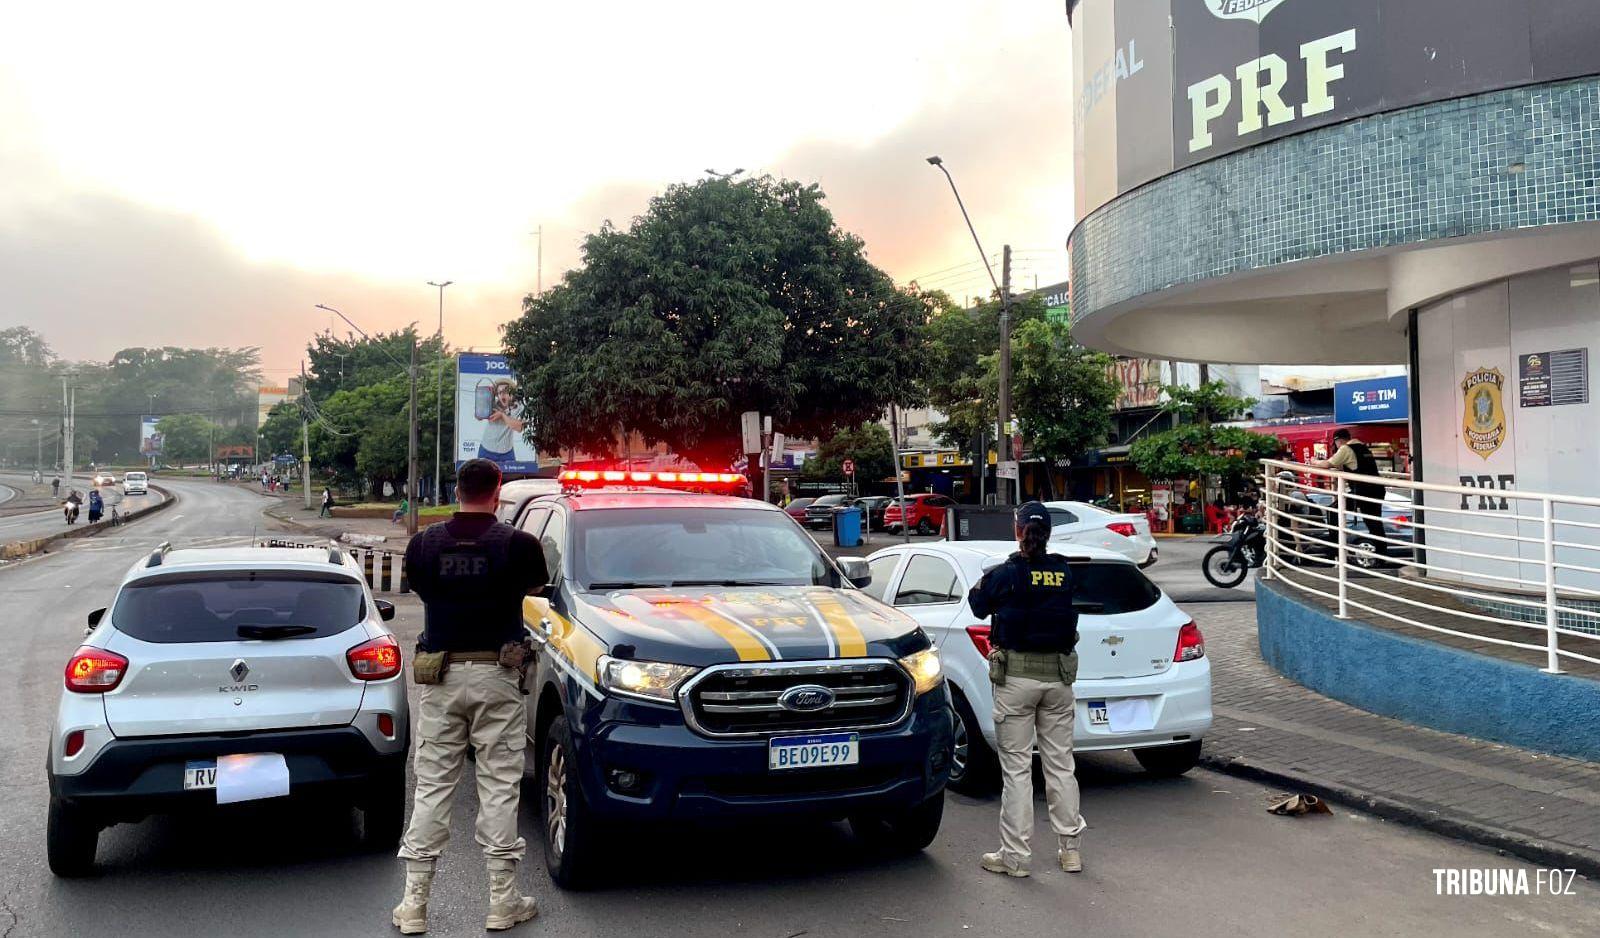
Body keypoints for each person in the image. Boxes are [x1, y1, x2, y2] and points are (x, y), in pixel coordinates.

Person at [393, 458, 546, 934]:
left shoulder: (423, 544)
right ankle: (503, 901)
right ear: (497, 493)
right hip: (497, 677)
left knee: (433, 785)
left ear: (456, 491)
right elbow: (536, 588)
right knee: (500, 785)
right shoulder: (520, 545)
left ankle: (414, 904)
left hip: (439, 676)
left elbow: (417, 588)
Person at [967, 501, 1087, 878]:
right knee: (1060, 767)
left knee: (1018, 772)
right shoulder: (1063, 571)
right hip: (1058, 680)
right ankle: (1071, 851)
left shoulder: (1007, 573)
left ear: (1018, 531)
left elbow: (976, 605)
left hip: (1016, 680)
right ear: (1049, 533)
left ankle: (1015, 857)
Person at [1311, 428, 1387, 540]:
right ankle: (1381, 554)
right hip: (1376, 489)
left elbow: (1327, 464)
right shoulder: (1362, 446)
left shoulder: (1345, 449)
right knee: (1375, 525)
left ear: (1338, 441)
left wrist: (1314, 461)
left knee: (1333, 511)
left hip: (1362, 491)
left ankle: (1335, 548)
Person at [476, 380, 527, 464]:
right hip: (486, 450)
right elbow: (478, 417)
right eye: (499, 392)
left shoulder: (519, 407)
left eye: (506, 392)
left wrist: (502, 415)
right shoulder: (492, 403)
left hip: (506, 453)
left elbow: (519, 428)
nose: (502, 395)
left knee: (512, 477)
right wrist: (483, 400)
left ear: (512, 393)